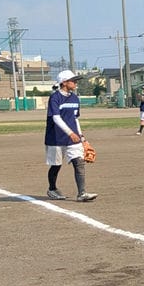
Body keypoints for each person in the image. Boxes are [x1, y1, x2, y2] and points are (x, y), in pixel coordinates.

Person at [44, 70, 97, 202]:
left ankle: (82, 193)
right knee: (56, 165)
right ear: (64, 83)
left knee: (79, 162)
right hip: (55, 138)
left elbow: (75, 119)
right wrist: (70, 133)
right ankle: (52, 189)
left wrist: (81, 136)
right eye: (73, 81)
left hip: (73, 138)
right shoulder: (55, 98)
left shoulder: (74, 98)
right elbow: (56, 118)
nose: (75, 83)